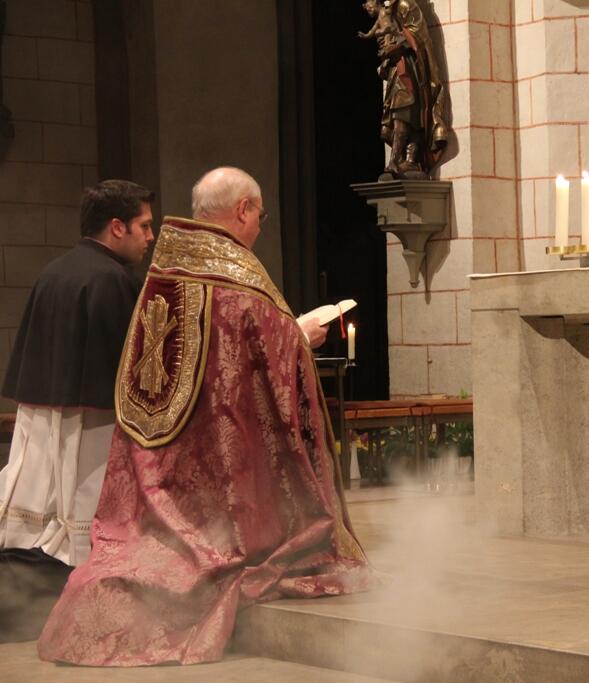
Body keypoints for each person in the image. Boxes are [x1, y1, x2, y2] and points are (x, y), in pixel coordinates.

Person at [36, 167, 373, 666]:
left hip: (166, 458)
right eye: (259, 215)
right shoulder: (237, 278)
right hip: (221, 478)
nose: (258, 226)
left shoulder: (164, 275)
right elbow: (260, 366)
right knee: (235, 548)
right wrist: (299, 336)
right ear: (242, 210)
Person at [0, 180, 155, 566]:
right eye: (144, 226)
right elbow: (127, 362)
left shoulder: (53, 271)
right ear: (117, 227)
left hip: (45, 409)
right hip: (94, 419)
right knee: (83, 513)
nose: (150, 237)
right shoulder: (113, 278)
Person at [365, 0, 449, 179]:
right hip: (398, 66)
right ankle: (408, 159)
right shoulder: (389, 9)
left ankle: (397, 160)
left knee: (404, 112)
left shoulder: (405, 4)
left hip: (410, 68)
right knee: (406, 114)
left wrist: (394, 46)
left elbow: (417, 36)